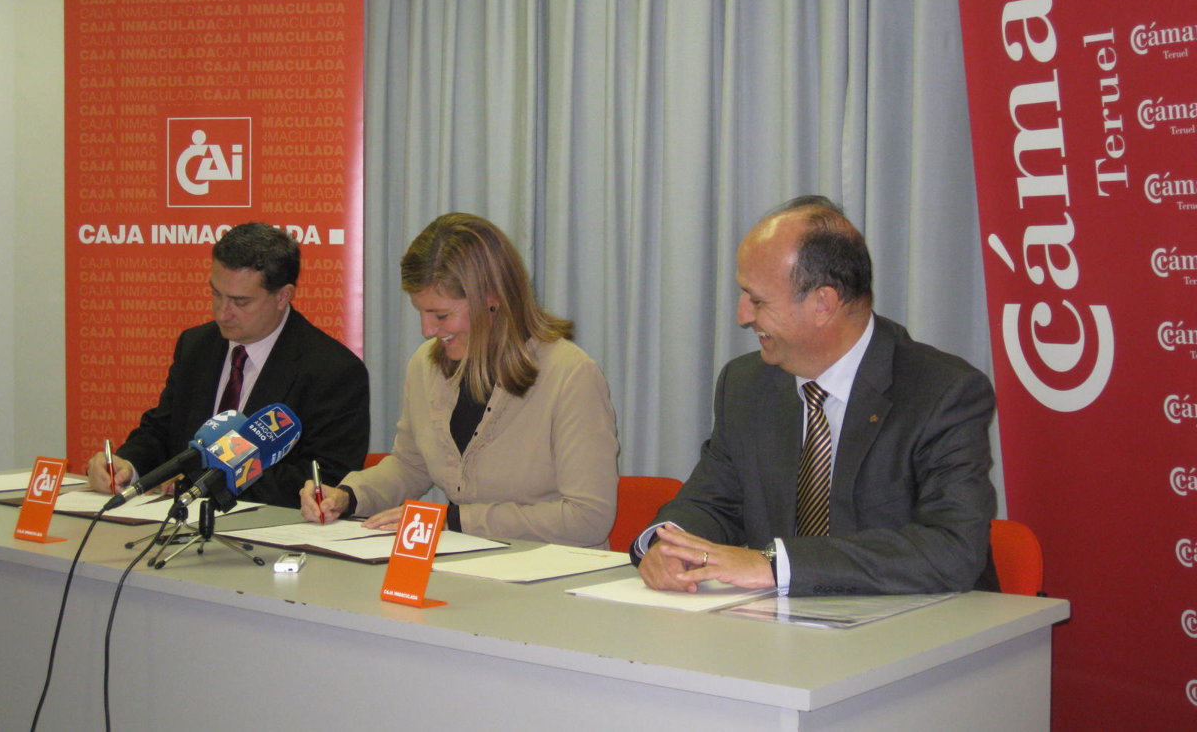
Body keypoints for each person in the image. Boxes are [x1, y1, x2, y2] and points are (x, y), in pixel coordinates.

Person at [635, 196, 999, 596]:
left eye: (757, 300)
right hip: (776, 622)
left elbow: (952, 548)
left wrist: (778, 566)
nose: (742, 316)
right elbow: (713, 500)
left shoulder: (942, 392)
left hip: (923, 621)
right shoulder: (746, 384)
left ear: (823, 304)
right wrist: (670, 545)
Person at [300, 212, 619, 548]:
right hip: (464, 561)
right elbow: (411, 465)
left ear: (492, 299)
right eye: (421, 312)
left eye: (441, 315)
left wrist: (454, 520)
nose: (427, 330)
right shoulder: (425, 365)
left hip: (555, 571)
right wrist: (348, 496)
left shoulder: (571, 375)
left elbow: (588, 519)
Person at [85, 222, 370, 509]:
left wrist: (204, 482)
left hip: (270, 526)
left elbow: (325, 479)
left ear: (283, 296)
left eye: (240, 302)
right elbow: (161, 430)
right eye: (216, 294)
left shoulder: (333, 370)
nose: (222, 313)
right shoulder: (196, 345)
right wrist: (126, 465)